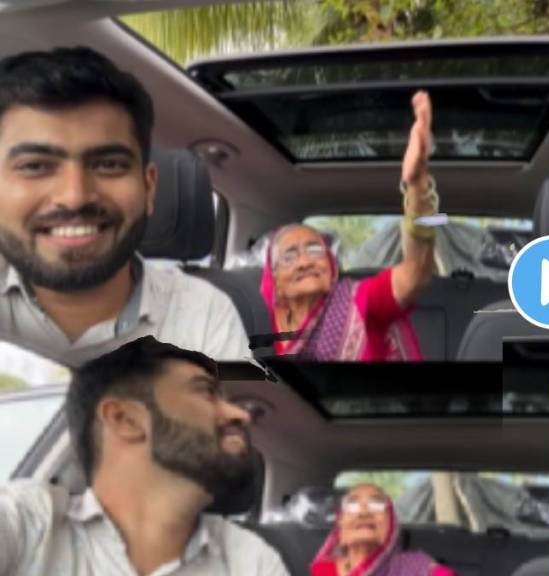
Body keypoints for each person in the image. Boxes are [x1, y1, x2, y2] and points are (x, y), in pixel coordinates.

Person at [0, 47, 249, 366]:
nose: (75, 196)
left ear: (148, 188)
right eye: (35, 166)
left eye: (108, 164)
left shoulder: (204, 313)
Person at [0, 336, 286, 575]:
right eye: (207, 393)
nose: (240, 414)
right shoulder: (31, 524)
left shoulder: (251, 561)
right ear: (125, 419)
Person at [261, 91, 435, 361]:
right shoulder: (259, 324)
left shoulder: (359, 300)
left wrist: (417, 187)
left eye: (314, 250)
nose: (305, 261)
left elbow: (416, 272)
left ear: (331, 269)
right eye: (290, 255)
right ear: (275, 283)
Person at [309, 483, 455, 576]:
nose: (364, 512)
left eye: (376, 503)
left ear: (391, 525)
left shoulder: (419, 568)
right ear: (340, 524)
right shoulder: (325, 570)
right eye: (352, 503)